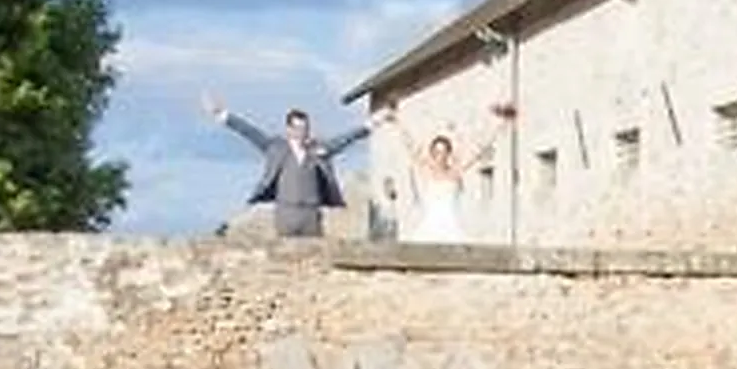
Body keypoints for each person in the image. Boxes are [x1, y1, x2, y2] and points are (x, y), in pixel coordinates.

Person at [202, 93, 378, 238]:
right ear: (289, 129)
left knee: (314, 259)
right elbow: (250, 132)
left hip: (311, 215)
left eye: (305, 129)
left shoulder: (317, 149)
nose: (302, 133)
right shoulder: (276, 148)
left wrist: (368, 127)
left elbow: (342, 141)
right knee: (286, 259)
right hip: (286, 214)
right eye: (298, 129)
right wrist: (223, 116)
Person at [391, 102, 515, 243]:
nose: (440, 156)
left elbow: (479, 151)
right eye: (436, 152)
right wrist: (398, 123)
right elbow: (410, 147)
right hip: (429, 228)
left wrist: (499, 125)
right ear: (432, 153)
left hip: (453, 227)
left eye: (443, 152)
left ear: (448, 153)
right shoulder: (426, 172)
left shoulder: (455, 174)